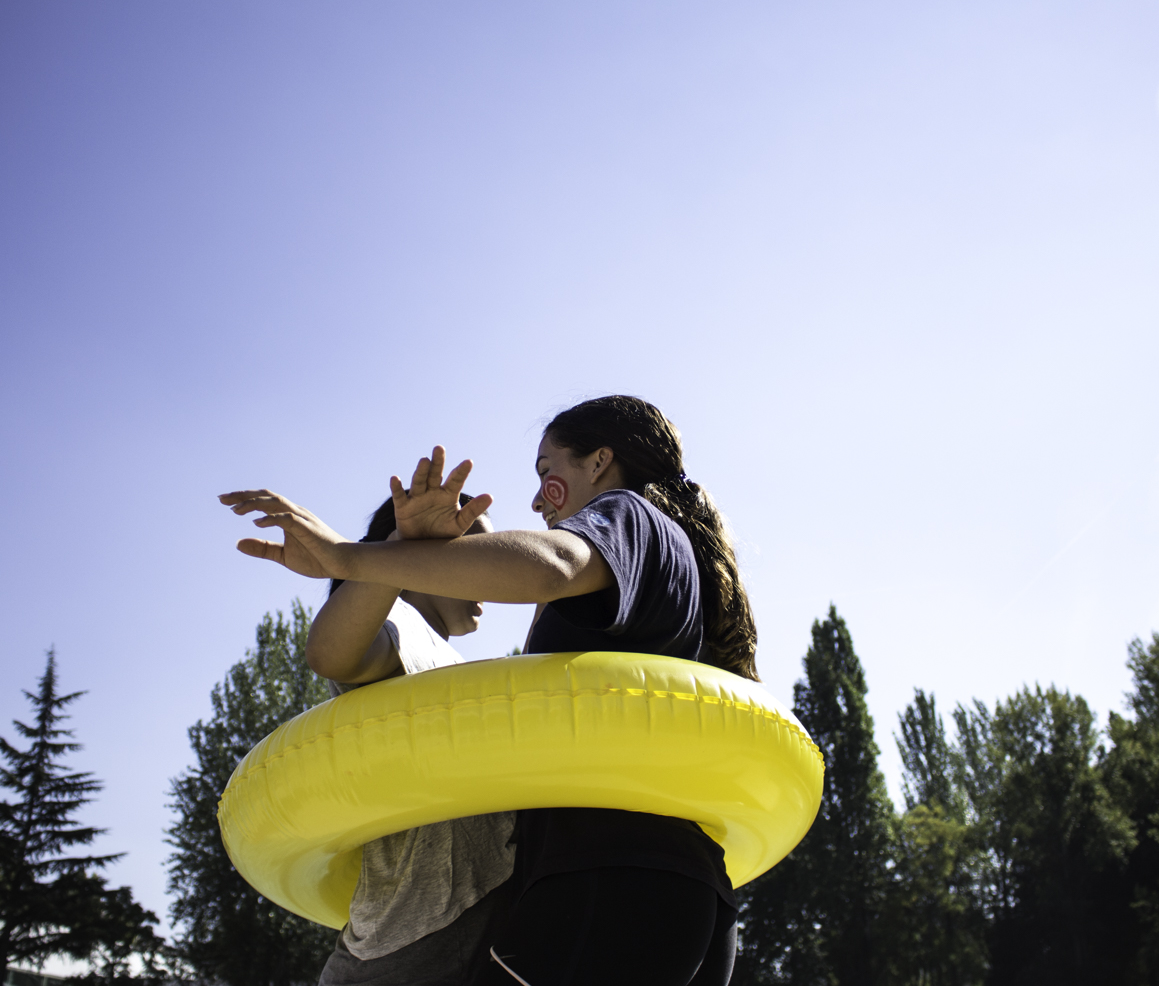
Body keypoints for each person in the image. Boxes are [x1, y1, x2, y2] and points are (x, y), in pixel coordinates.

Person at [220, 396, 759, 986]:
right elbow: (332, 651)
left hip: (603, 880)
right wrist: (397, 554)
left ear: (600, 462)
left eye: (546, 471)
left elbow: (551, 565)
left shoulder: (627, 514)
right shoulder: (670, 556)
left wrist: (353, 556)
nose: (535, 499)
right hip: (688, 886)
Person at [297, 453, 519, 986]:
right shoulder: (401, 626)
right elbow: (331, 655)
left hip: (457, 937)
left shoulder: (450, 664)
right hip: (408, 950)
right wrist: (397, 553)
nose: (490, 571)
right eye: (475, 550)